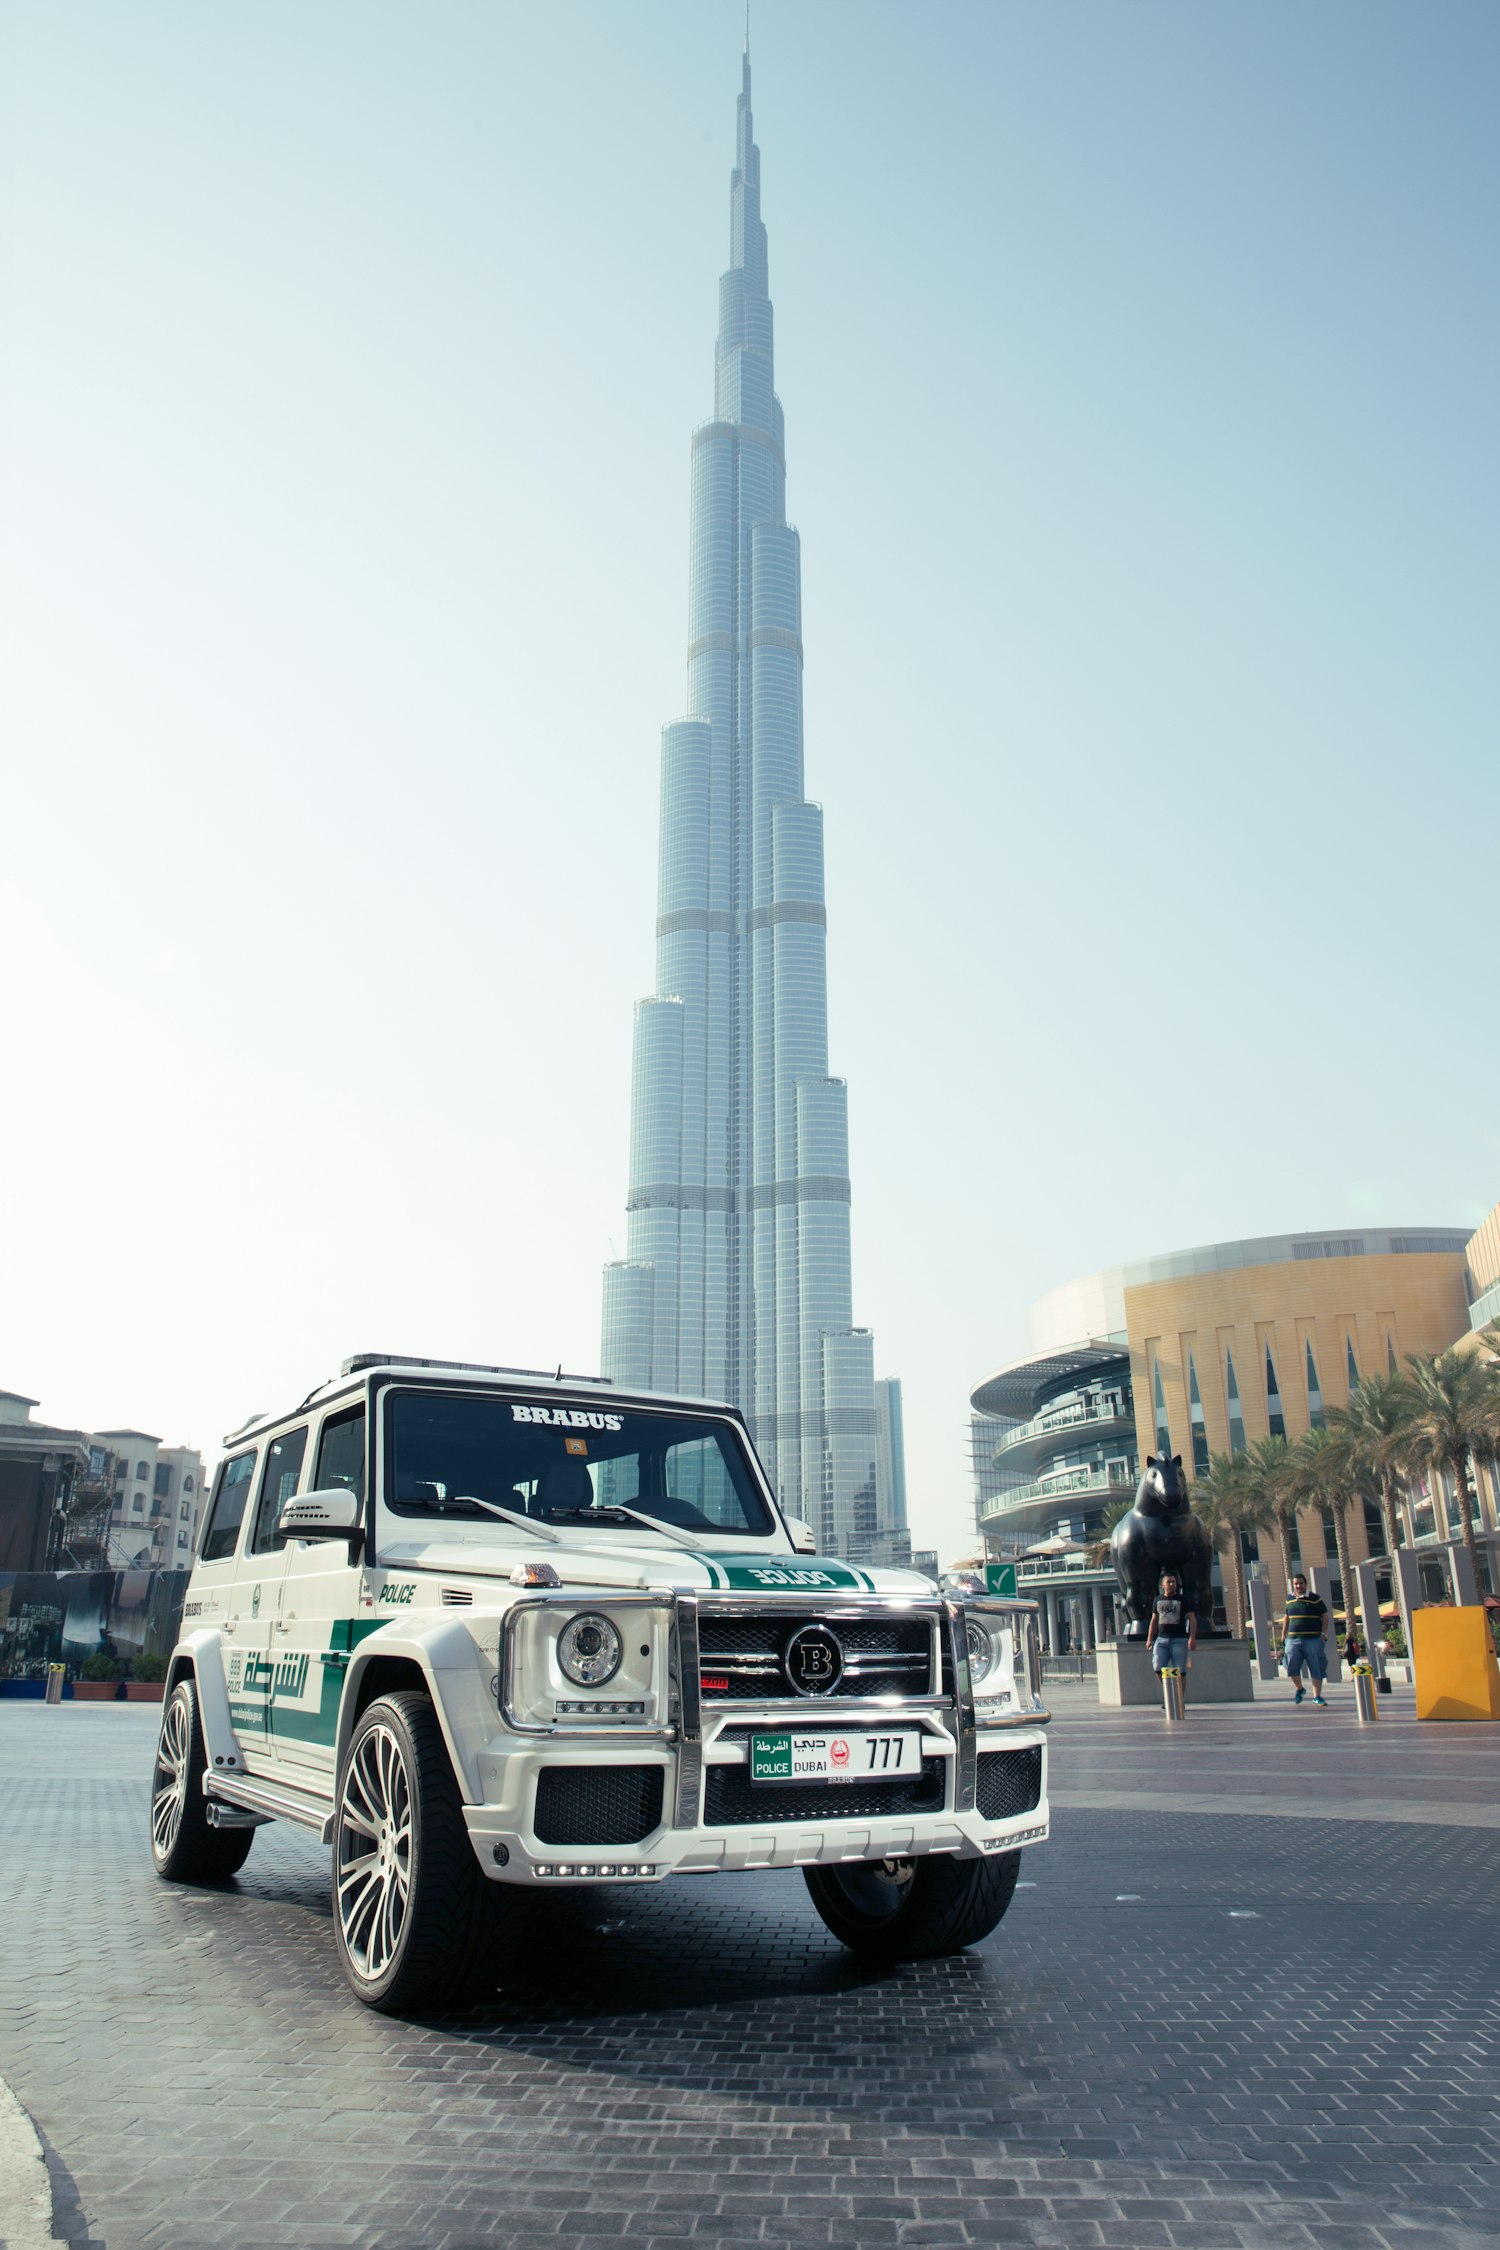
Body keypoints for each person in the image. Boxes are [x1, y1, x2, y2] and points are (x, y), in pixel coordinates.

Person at [1282, 1573, 1330, 1705]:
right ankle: (1300, 1689)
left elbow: (1325, 1615)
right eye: (1296, 1584)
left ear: (1305, 1584)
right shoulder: (1289, 1599)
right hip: (1292, 1639)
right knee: (1291, 1667)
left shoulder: (1315, 1599)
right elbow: (1287, 1616)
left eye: (1300, 1583)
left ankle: (1317, 1696)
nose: (1298, 1586)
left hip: (1313, 1639)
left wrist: (1323, 1633)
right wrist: (1283, 1634)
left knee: (1316, 1667)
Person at [1147, 1572, 1196, 1682]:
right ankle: (1167, 1692)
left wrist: (1192, 1637)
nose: (1172, 1584)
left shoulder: (1183, 1600)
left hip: (1179, 1640)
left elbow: (1192, 1619)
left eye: (1173, 1582)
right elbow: (1154, 1620)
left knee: (1180, 1671)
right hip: (1161, 1640)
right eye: (1168, 1582)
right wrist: (1149, 1638)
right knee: (1157, 1668)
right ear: (1162, 1585)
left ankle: (1179, 1698)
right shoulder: (1157, 1600)